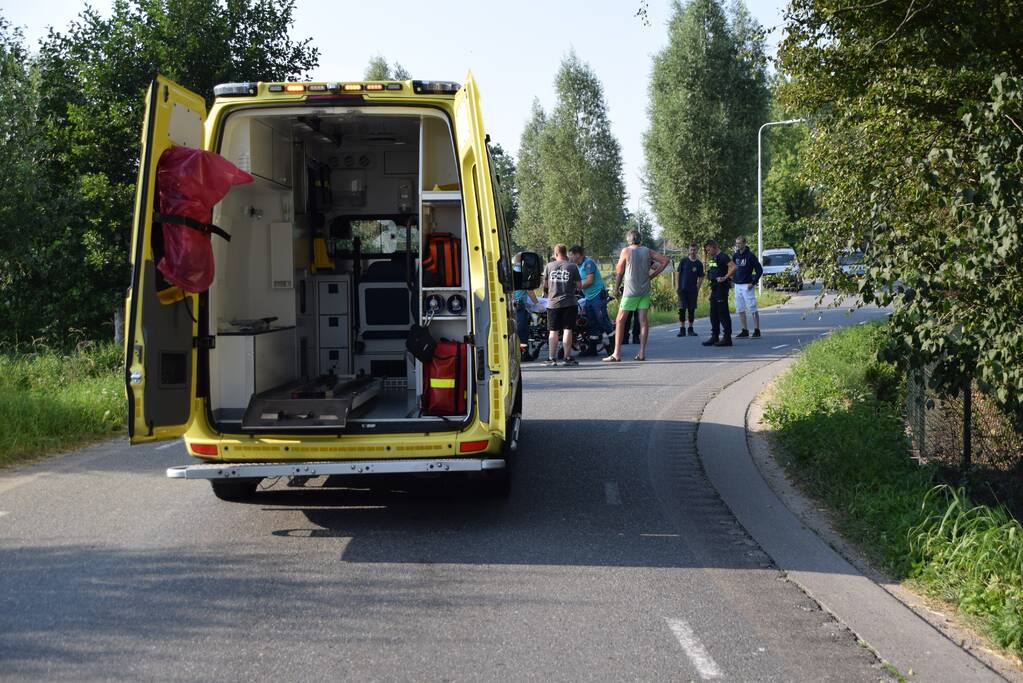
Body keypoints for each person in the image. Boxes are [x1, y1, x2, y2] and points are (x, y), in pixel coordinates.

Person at [604, 229, 670, 362]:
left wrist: (616, 288)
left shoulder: (626, 251)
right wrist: (652, 275)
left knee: (620, 320)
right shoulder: (647, 251)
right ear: (640, 240)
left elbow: (619, 271)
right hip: (644, 290)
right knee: (643, 322)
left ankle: (616, 353)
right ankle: (641, 353)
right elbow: (665, 261)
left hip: (630, 291)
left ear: (629, 240)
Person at [541, 243, 582, 366]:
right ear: (566, 253)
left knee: (553, 331)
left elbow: (546, 285)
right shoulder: (572, 267)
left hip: (553, 303)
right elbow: (579, 285)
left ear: (556, 254)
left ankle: (551, 358)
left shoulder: (549, 266)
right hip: (570, 303)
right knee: (567, 330)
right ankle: (567, 357)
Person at [569, 245, 613, 351]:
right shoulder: (577, 266)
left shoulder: (588, 263)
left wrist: (575, 286)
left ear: (577, 254)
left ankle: (613, 346)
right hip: (589, 297)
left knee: (602, 320)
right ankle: (592, 349)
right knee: (592, 323)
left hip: (597, 295)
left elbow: (589, 281)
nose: (570, 258)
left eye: (571, 255)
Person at [702, 239, 736, 347]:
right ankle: (715, 336)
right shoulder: (713, 258)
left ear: (713, 247)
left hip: (722, 288)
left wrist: (725, 277)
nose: (708, 252)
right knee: (713, 313)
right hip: (714, 288)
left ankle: (727, 338)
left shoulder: (723, 256)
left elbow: (734, 267)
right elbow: (712, 271)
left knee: (723, 313)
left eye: (709, 250)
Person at [732, 235, 764, 338]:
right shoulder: (735, 256)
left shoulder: (750, 256)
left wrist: (753, 282)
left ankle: (756, 329)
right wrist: (731, 278)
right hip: (737, 285)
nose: (738, 245)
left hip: (747, 285)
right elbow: (732, 267)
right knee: (740, 308)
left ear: (744, 243)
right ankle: (744, 330)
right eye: (737, 243)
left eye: (740, 243)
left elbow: (759, 270)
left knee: (752, 307)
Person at [676, 242, 704, 337]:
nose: (692, 251)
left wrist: (698, 287)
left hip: (692, 290)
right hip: (682, 290)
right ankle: (682, 329)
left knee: (691, 310)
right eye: (691, 250)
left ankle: (690, 329)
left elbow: (701, 277)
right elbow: (678, 273)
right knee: (682, 309)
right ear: (688, 250)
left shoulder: (699, 264)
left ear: (697, 250)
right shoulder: (683, 261)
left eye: (694, 250)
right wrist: (677, 286)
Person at [512, 261, 539, 358]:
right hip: (519, 305)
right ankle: (524, 354)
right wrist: (537, 303)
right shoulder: (522, 274)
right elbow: (529, 290)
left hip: (513, 304)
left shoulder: (511, 271)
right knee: (522, 330)